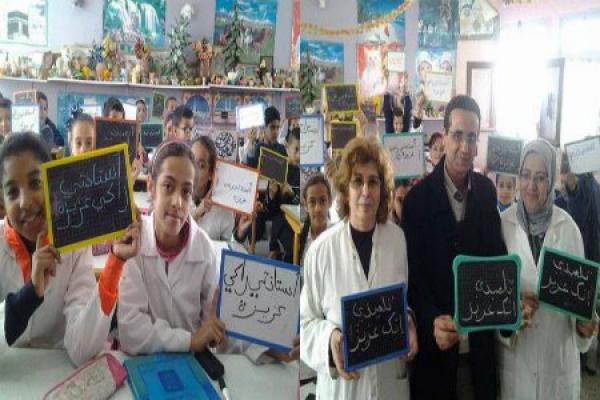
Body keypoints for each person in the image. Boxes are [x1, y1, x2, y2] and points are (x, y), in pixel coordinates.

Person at [0, 133, 140, 366]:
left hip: (56, 370)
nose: (24, 202)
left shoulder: (74, 246)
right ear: (2, 202)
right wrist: (30, 294)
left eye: (35, 183)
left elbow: (80, 349)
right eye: (12, 192)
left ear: (53, 184)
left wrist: (115, 262)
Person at [401, 95, 506, 400]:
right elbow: (412, 278)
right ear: (444, 136)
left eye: (472, 137)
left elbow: (497, 260)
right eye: (458, 135)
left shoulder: (486, 193)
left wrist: (511, 302)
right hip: (435, 356)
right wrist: (431, 318)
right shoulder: (416, 202)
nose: (465, 147)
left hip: (480, 353)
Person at [301, 136, 418, 399]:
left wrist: (408, 320)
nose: (366, 191)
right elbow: (305, 323)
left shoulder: (397, 240)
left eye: (373, 182)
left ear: (382, 189)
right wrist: (330, 339)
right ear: (345, 189)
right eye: (357, 181)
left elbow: (402, 299)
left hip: (389, 383)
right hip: (344, 389)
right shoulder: (321, 250)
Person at [498, 139, 598, 400]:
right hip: (517, 367)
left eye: (541, 178)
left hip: (558, 367)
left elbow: (580, 307)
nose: (531, 185)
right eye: (526, 175)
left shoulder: (569, 229)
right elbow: (492, 305)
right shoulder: (503, 225)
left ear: (552, 179)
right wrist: (511, 315)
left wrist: (585, 327)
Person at [118, 140, 225, 355]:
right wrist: (190, 340)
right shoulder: (134, 244)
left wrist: (214, 333)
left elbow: (212, 325)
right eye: (168, 187)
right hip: (144, 363)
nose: (177, 202)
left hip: (193, 364)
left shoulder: (204, 250)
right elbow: (131, 332)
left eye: (186, 192)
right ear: (151, 187)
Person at [555, 151, 600, 375]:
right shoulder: (582, 185)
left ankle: (585, 358)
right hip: (580, 259)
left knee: (584, 312)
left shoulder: (592, 186)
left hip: (588, 258)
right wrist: (570, 189)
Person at [190, 136, 235, 241]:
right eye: (191, 162)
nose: (193, 170)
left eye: (200, 165)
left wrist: (240, 235)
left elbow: (226, 246)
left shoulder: (223, 210)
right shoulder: (177, 199)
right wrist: (197, 212)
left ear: (211, 173)